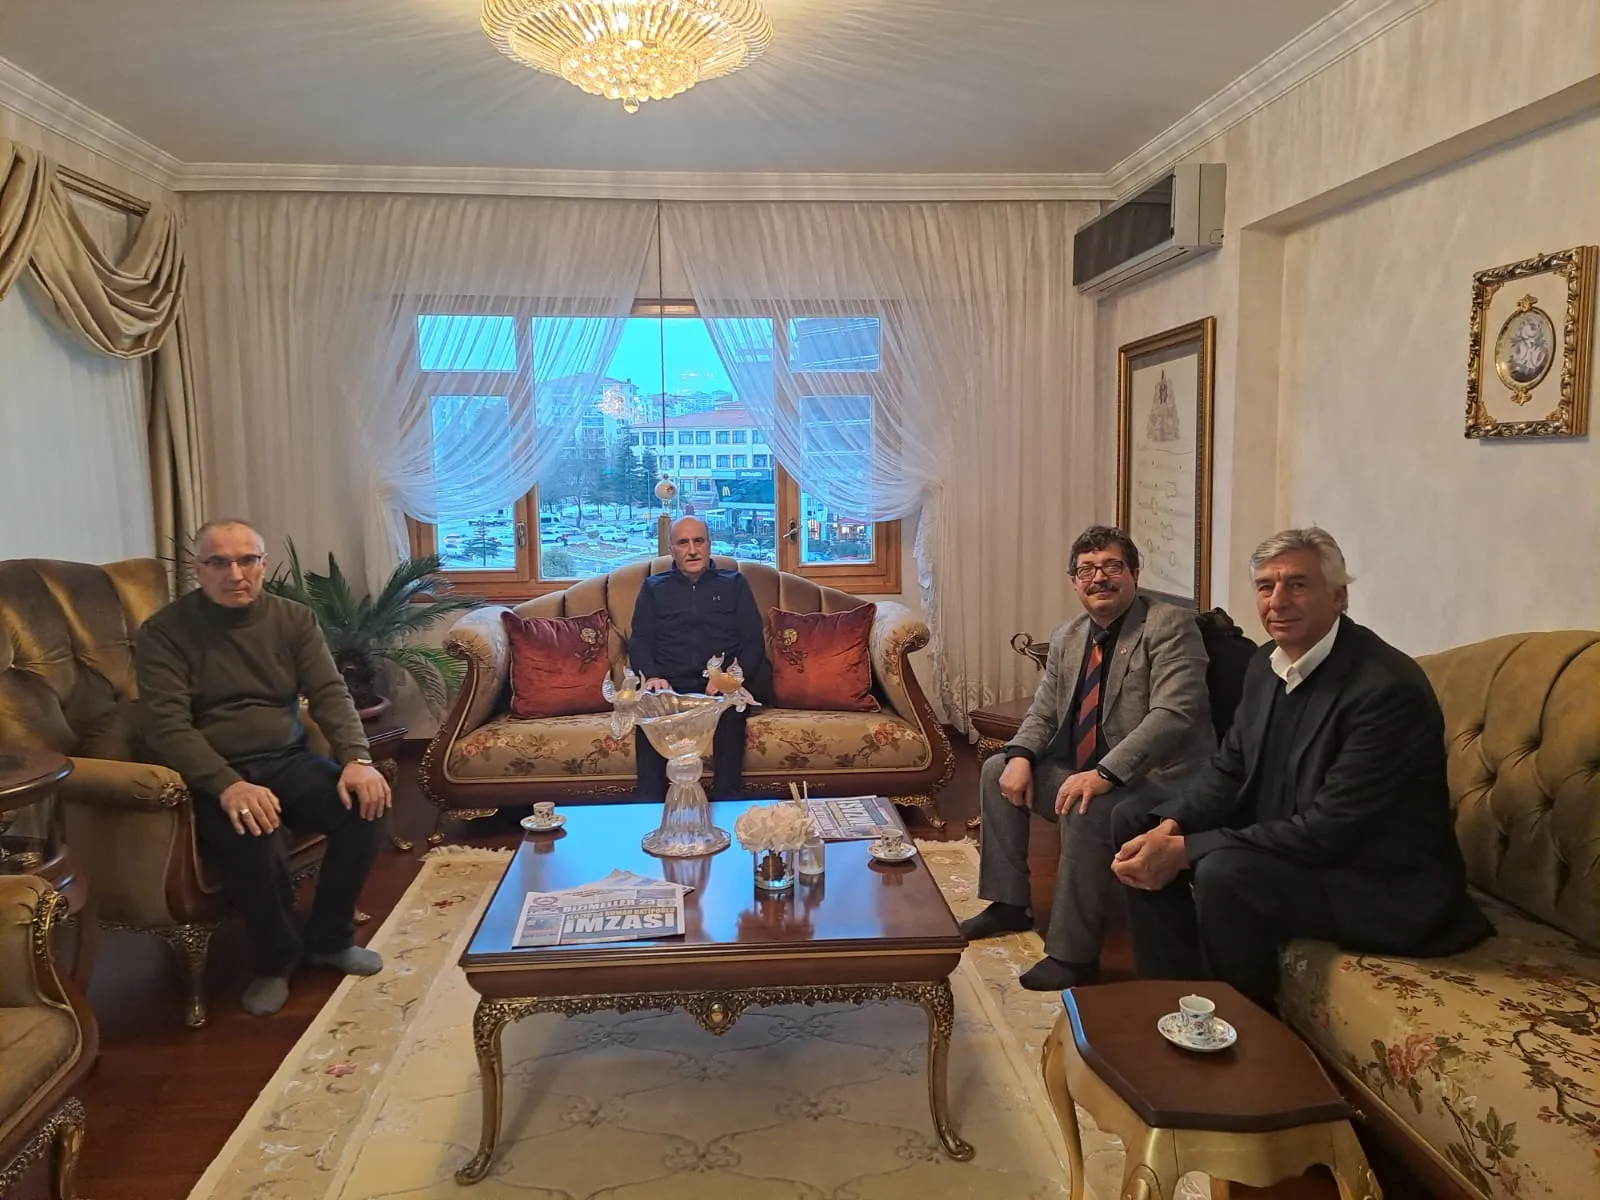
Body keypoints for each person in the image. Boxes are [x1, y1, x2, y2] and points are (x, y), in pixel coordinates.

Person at [1110, 527, 1493, 1011]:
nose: (1278, 601)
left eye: (1297, 584)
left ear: (1339, 596)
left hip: (1372, 879)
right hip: (1298, 845)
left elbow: (1331, 830)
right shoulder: (1264, 664)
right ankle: (1176, 1000)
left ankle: (1241, 1028)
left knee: (1226, 872)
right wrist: (1171, 826)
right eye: (1265, 586)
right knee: (1135, 822)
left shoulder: (1384, 689)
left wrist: (1187, 849)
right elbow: (1229, 770)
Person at [136, 519, 392, 1017]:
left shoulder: (293, 620)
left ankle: (330, 939)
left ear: (263, 564)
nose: (235, 573)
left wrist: (357, 759)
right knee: (256, 835)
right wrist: (227, 784)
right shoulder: (165, 632)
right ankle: (275, 961)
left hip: (285, 758)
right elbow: (166, 727)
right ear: (198, 570)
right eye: (219, 562)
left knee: (367, 807)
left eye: (246, 560)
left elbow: (329, 692)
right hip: (213, 773)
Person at [960, 525, 1214, 991]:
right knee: (998, 769)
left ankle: (1073, 955)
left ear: (1134, 574)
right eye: (1087, 570)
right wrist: (1020, 754)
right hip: (1094, 770)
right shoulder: (1069, 634)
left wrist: (1104, 773)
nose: (1099, 578)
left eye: (1112, 567)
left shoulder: (1171, 626)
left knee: (1087, 803)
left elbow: (1173, 715)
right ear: (1074, 582)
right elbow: (1044, 710)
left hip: (1159, 778)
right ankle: (1009, 904)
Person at [628, 515, 770, 801]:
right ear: (671, 550)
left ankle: (726, 804)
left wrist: (728, 679)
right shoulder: (654, 588)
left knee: (730, 713)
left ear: (709, 545)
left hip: (722, 684)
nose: (692, 550)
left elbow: (753, 641)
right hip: (671, 684)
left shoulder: (734, 583)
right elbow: (640, 641)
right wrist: (653, 676)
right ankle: (649, 807)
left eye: (698, 541)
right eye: (683, 543)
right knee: (650, 712)